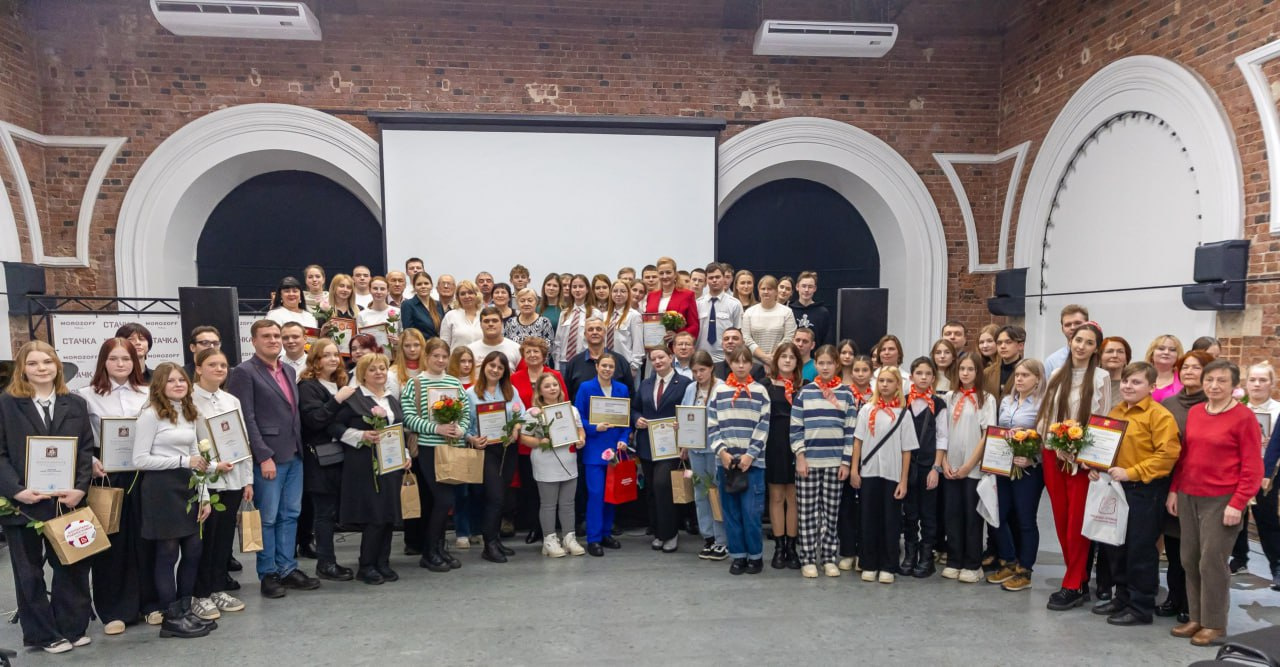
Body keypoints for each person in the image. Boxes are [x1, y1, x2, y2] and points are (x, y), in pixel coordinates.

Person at [0, 342, 94, 652]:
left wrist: (80, 488)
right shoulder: (6, 403)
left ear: (57, 366)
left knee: (73, 566)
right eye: (33, 363)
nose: (41, 368)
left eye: (47, 362)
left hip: (67, 501)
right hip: (23, 504)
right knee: (28, 573)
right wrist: (16, 490)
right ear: (22, 369)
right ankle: (42, 634)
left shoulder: (75, 404)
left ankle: (72, 627)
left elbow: (85, 450)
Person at [1168, 360, 1262, 646]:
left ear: (1234, 385)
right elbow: (1185, 456)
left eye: (1222, 381)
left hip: (1222, 500)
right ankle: (1196, 617)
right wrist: (1174, 490)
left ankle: (1215, 624)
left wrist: (1238, 502)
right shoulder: (1197, 412)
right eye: (1209, 380)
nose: (1214, 386)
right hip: (1189, 495)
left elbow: (1253, 466)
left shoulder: (1244, 417)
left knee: (1212, 562)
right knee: (1189, 558)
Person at [227, 320, 320, 599]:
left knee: (290, 515)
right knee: (267, 518)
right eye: (266, 336)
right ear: (253, 341)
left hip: (294, 454)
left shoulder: (289, 370)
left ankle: (288, 568)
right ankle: (268, 573)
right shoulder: (244, 372)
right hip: (268, 457)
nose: (273, 340)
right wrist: (263, 455)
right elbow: (246, 418)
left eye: (276, 336)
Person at [132, 363, 220, 639]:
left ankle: (185, 608)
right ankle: (171, 617)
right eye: (171, 381)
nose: (179, 385)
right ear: (160, 385)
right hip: (161, 489)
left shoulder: (188, 412)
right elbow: (140, 460)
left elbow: (197, 457)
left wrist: (204, 496)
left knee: (193, 550)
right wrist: (182, 461)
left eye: (182, 380)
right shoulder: (150, 415)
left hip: (187, 486)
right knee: (168, 553)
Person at [1089, 361, 1180, 627]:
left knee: (1140, 550)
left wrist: (1133, 472)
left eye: (1136, 382)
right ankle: (1122, 597)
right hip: (1117, 487)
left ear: (1152, 387)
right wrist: (1094, 465)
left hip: (1145, 490)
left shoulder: (1159, 416)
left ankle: (1140, 606)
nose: (1128, 386)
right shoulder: (1117, 411)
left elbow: (1167, 456)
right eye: (1127, 381)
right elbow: (1105, 446)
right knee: (1117, 546)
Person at [76, 338, 154, 635]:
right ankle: (114, 611)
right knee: (112, 541)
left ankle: (150, 603)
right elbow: (80, 437)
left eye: (126, 359)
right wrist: (91, 461)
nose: (120, 364)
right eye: (113, 359)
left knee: (147, 538)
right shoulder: (85, 396)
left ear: (135, 362)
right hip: (107, 474)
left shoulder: (149, 393)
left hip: (144, 473)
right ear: (103, 362)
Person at [1038, 322, 1111, 611]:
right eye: (1078, 340)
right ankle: (1077, 580)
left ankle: (1072, 583)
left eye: (1089, 342)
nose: (1081, 346)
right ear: (1070, 341)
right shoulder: (1057, 373)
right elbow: (1047, 414)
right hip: (1053, 454)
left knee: (1076, 524)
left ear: (1095, 349)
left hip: (1081, 460)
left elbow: (1102, 421)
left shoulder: (1101, 377)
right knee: (1060, 519)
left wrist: (1088, 457)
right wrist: (1053, 444)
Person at [331, 353, 405, 585]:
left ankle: (383, 562)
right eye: (372, 369)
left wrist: (405, 455)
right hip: (364, 465)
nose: (379, 372)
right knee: (375, 515)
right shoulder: (354, 398)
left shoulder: (391, 398)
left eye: (382, 368)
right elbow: (333, 426)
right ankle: (366, 565)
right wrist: (360, 435)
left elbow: (398, 429)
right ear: (363, 374)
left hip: (391, 464)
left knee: (389, 515)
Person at [401, 337, 472, 573]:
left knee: (444, 500)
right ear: (426, 357)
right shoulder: (415, 383)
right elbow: (408, 418)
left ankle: (440, 548)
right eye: (436, 356)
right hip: (428, 448)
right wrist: (436, 428)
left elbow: (466, 413)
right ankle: (429, 552)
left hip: (452, 447)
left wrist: (461, 429)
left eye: (444, 356)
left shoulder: (454, 382)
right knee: (443, 500)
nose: (440, 360)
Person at [189, 348, 250, 620]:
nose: (219, 369)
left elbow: (243, 440)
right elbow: (190, 443)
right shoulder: (189, 400)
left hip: (233, 479)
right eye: (212, 364)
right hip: (206, 481)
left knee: (224, 540)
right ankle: (199, 594)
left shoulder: (231, 400)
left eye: (223, 365)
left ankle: (216, 589)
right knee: (205, 540)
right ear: (198, 368)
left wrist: (247, 480)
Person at [790, 344, 858, 578]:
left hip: (835, 463)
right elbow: (795, 428)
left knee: (831, 512)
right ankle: (808, 558)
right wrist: (800, 457)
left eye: (830, 363)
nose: (826, 367)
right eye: (821, 363)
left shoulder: (846, 394)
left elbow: (850, 431)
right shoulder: (805, 393)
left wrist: (846, 462)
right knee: (807, 512)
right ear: (815, 365)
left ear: (837, 365)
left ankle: (828, 557)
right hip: (808, 463)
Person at [847, 365, 918, 584]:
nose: (885, 385)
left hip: (892, 474)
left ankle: (888, 565)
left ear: (898, 385)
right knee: (868, 518)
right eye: (881, 381)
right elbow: (858, 441)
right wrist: (854, 469)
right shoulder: (867, 410)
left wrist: (903, 481)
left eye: (890, 381)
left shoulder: (904, 414)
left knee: (891, 520)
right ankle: (868, 562)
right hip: (869, 472)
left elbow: (907, 450)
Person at [296, 338, 357, 583]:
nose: (333, 359)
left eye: (335, 354)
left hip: (342, 457)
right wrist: (337, 399)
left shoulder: (341, 382)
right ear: (315, 360)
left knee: (332, 512)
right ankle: (326, 563)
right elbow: (314, 421)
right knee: (324, 513)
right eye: (326, 355)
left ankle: (329, 560)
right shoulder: (308, 386)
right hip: (319, 460)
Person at [1157, 349, 1212, 622]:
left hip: (1198, 485)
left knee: (1195, 548)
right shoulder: (1169, 403)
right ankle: (1174, 597)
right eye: (1185, 367)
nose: (1189, 372)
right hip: (1170, 481)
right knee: (1173, 543)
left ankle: (1192, 603)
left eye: (1196, 367)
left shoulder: (1211, 405)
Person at [709, 347, 771, 575]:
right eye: (737, 362)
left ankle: (755, 556)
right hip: (726, 463)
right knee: (731, 512)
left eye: (746, 362)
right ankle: (738, 555)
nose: (741, 366)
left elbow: (764, 426)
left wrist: (750, 455)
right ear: (730, 363)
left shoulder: (760, 392)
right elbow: (712, 424)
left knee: (751, 512)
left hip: (752, 464)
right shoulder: (719, 391)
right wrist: (722, 452)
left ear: (752, 365)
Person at [988, 359, 1047, 592]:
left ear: (1038, 379)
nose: (1020, 379)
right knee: (997, 515)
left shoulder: (1043, 404)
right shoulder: (1006, 401)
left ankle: (1025, 570)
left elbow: (1047, 438)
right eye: (1018, 375)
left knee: (1025, 519)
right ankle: (1009, 560)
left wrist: (1033, 459)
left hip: (1029, 470)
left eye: (1026, 375)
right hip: (1003, 466)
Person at [464, 352, 525, 564]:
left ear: (504, 371)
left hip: (507, 449)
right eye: (492, 365)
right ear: (484, 367)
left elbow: (521, 415)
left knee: (502, 496)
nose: (495, 370)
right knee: (495, 496)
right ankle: (488, 545)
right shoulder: (471, 393)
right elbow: (463, 424)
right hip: (485, 450)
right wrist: (471, 438)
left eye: (500, 367)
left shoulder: (510, 391)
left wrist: (516, 428)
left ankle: (495, 540)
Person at [633, 345, 693, 553]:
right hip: (647, 445)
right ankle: (658, 532)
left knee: (663, 486)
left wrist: (684, 432)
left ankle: (670, 533)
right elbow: (635, 408)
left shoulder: (685, 383)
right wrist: (637, 419)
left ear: (671, 357)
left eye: (661, 357)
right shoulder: (646, 384)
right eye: (654, 359)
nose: (657, 362)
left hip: (672, 447)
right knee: (651, 489)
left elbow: (690, 412)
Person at [942, 354, 995, 583]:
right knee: (952, 514)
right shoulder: (949, 397)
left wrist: (969, 465)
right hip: (951, 467)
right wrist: (944, 462)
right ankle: (954, 560)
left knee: (972, 516)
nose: (965, 373)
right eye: (962, 369)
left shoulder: (987, 399)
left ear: (978, 372)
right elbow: (942, 432)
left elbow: (987, 435)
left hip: (973, 468)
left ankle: (973, 564)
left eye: (970, 369)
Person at [522, 372, 587, 558]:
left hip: (568, 460)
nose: (552, 388)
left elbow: (580, 430)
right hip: (545, 462)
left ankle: (569, 538)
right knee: (549, 504)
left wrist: (581, 439)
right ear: (540, 391)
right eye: (547, 386)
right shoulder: (533, 413)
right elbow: (524, 438)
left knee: (568, 503)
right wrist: (539, 441)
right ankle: (549, 540)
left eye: (555, 385)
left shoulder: (571, 410)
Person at [572, 355, 631, 557]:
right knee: (596, 494)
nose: (607, 369)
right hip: (594, 449)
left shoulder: (622, 389)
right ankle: (594, 539)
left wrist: (624, 439)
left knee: (611, 495)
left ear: (615, 369)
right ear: (596, 366)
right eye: (603, 365)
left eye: (610, 366)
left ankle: (606, 533)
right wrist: (594, 427)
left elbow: (626, 421)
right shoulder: (586, 388)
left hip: (615, 450)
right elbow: (577, 418)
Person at [510, 337, 565, 544]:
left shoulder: (555, 375)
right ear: (523, 356)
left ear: (544, 355)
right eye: (528, 352)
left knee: (553, 485)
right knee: (531, 487)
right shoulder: (515, 378)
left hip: (553, 441)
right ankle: (536, 527)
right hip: (528, 443)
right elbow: (512, 407)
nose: (532, 355)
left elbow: (564, 404)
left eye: (536, 351)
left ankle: (553, 527)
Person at [901, 357, 947, 578]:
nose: (923, 377)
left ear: (933, 378)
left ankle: (926, 557)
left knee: (928, 513)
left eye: (928, 374)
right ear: (911, 377)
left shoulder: (939, 404)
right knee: (909, 513)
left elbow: (942, 437)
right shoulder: (903, 401)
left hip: (928, 465)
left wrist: (936, 468)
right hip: (907, 467)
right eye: (919, 373)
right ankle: (910, 554)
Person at [682, 350, 728, 561]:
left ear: (711, 368)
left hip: (715, 449)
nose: (698, 375)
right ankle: (708, 536)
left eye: (702, 370)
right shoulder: (691, 389)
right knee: (700, 493)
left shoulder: (721, 388)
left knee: (715, 492)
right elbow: (685, 414)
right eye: (694, 371)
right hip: (695, 448)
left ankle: (722, 540)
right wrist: (682, 439)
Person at [765, 342, 802, 570]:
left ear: (798, 362)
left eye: (792, 357)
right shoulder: (765, 386)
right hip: (773, 445)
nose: (787, 360)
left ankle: (792, 547)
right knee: (777, 496)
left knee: (793, 497)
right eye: (783, 356)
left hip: (797, 446)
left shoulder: (805, 387)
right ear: (776, 360)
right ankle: (779, 547)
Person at [1244, 362, 1280, 584]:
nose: (1257, 384)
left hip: (1268, 472)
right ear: (1246, 383)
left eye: (1263, 380)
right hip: (1239, 470)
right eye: (1253, 380)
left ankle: (1277, 564)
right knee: (1235, 518)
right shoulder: (1238, 408)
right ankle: (1239, 559)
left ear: (1272, 384)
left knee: (1266, 518)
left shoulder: (1278, 410)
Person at [561, 317, 634, 401]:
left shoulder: (620, 361)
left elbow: (631, 395)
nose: (595, 332)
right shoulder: (574, 363)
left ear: (604, 333)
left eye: (598, 329)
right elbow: (567, 396)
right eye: (590, 329)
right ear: (585, 334)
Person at [741, 275, 797, 374]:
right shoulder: (749, 312)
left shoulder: (787, 312)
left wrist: (773, 358)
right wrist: (765, 358)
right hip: (754, 366)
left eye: (770, 289)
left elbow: (789, 337)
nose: (766, 292)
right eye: (763, 289)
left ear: (776, 291)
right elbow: (747, 339)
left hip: (779, 364)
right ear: (758, 290)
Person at [644, 257, 701, 343]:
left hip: (678, 346)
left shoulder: (687, 295)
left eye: (668, 272)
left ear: (675, 274)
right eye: (661, 273)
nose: (665, 276)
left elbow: (694, 326)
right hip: (654, 346)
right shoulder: (651, 296)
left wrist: (678, 336)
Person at [554, 274, 603, 368]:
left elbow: (600, 341)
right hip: (564, 362)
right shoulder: (564, 313)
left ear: (587, 289)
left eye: (581, 286)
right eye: (574, 287)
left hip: (585, 361)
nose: (577, 290)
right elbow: (558, 341)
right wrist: (557, 365)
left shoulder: (595, 313)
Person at [605, 280, 644, 377]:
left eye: (623, 291)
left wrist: (634, 367)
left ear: (628, 294)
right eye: (615, 291)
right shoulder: (604, 316)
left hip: (626, 365)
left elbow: (638, 343)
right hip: (606, 365)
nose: (618, 294)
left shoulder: (634, 315)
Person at [1042, 304, 1090, 379]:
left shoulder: (1100, 357)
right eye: (1068, 325)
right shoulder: (1052, 362)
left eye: (1077, 323)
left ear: (1088, 325)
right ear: (1062, 329)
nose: (1073, 327)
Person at [355, 276, 400, 349]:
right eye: (375, 288)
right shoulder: (362, 315)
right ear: (370, 290)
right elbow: (360, 341)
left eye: (382, 289)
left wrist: (398, 341)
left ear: (388, 291)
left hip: (394, 354)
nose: (379, 292)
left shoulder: (397, 312)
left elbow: (403, 336)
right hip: (371, 355)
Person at [984, 325, 1025, 401]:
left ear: (1020, 346)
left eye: (1008, 342)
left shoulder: (1028, 372)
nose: (1002, 346)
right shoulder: (987, 373)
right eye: (999, 343)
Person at [790, 271, 832, 346]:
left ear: (815, 288)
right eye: (804, 286)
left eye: (810, 287)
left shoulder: (822, 312)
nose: (806, 290)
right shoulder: (789, 310)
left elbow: (827, 341)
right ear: (797, 287)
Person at [440, 280, 484, 349]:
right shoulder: (450, 316)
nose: (467, 296)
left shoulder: (484, 315)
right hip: (456, 356)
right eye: (463, 294)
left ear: (476, 295)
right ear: (458, 297)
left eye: (470, 293)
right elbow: (444, 345)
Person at [402, 271, 445, 341]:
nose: (423, 286)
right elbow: (409, 332)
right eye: (419, 284)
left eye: (426, 283)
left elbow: (443, 329)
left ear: (431, 286)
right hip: (420, 346)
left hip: (437, 345)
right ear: (414, 287)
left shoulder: (438, 304)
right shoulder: (408, 304)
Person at [1146, 335, 1185, 402]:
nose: (1166, 352)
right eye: (1161, 348)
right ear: (1152, 354)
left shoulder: (1184, 379)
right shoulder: (1140, 376)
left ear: (1178, 355)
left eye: (1172, 350)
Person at [389, 328, 426, 399]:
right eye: (407, 346)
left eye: (416, 345)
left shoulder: (432, 369)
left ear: (422, 346)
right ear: (401, 348)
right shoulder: (392, 373)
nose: (412, 349)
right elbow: (393, 403)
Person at [1100, 336, 1133, 402]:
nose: (1115, 355)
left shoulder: (1133, 386)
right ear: (1099, 357)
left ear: (1126, 358)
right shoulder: (1089, 383)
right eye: (1109, 351)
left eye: (1120, 351)